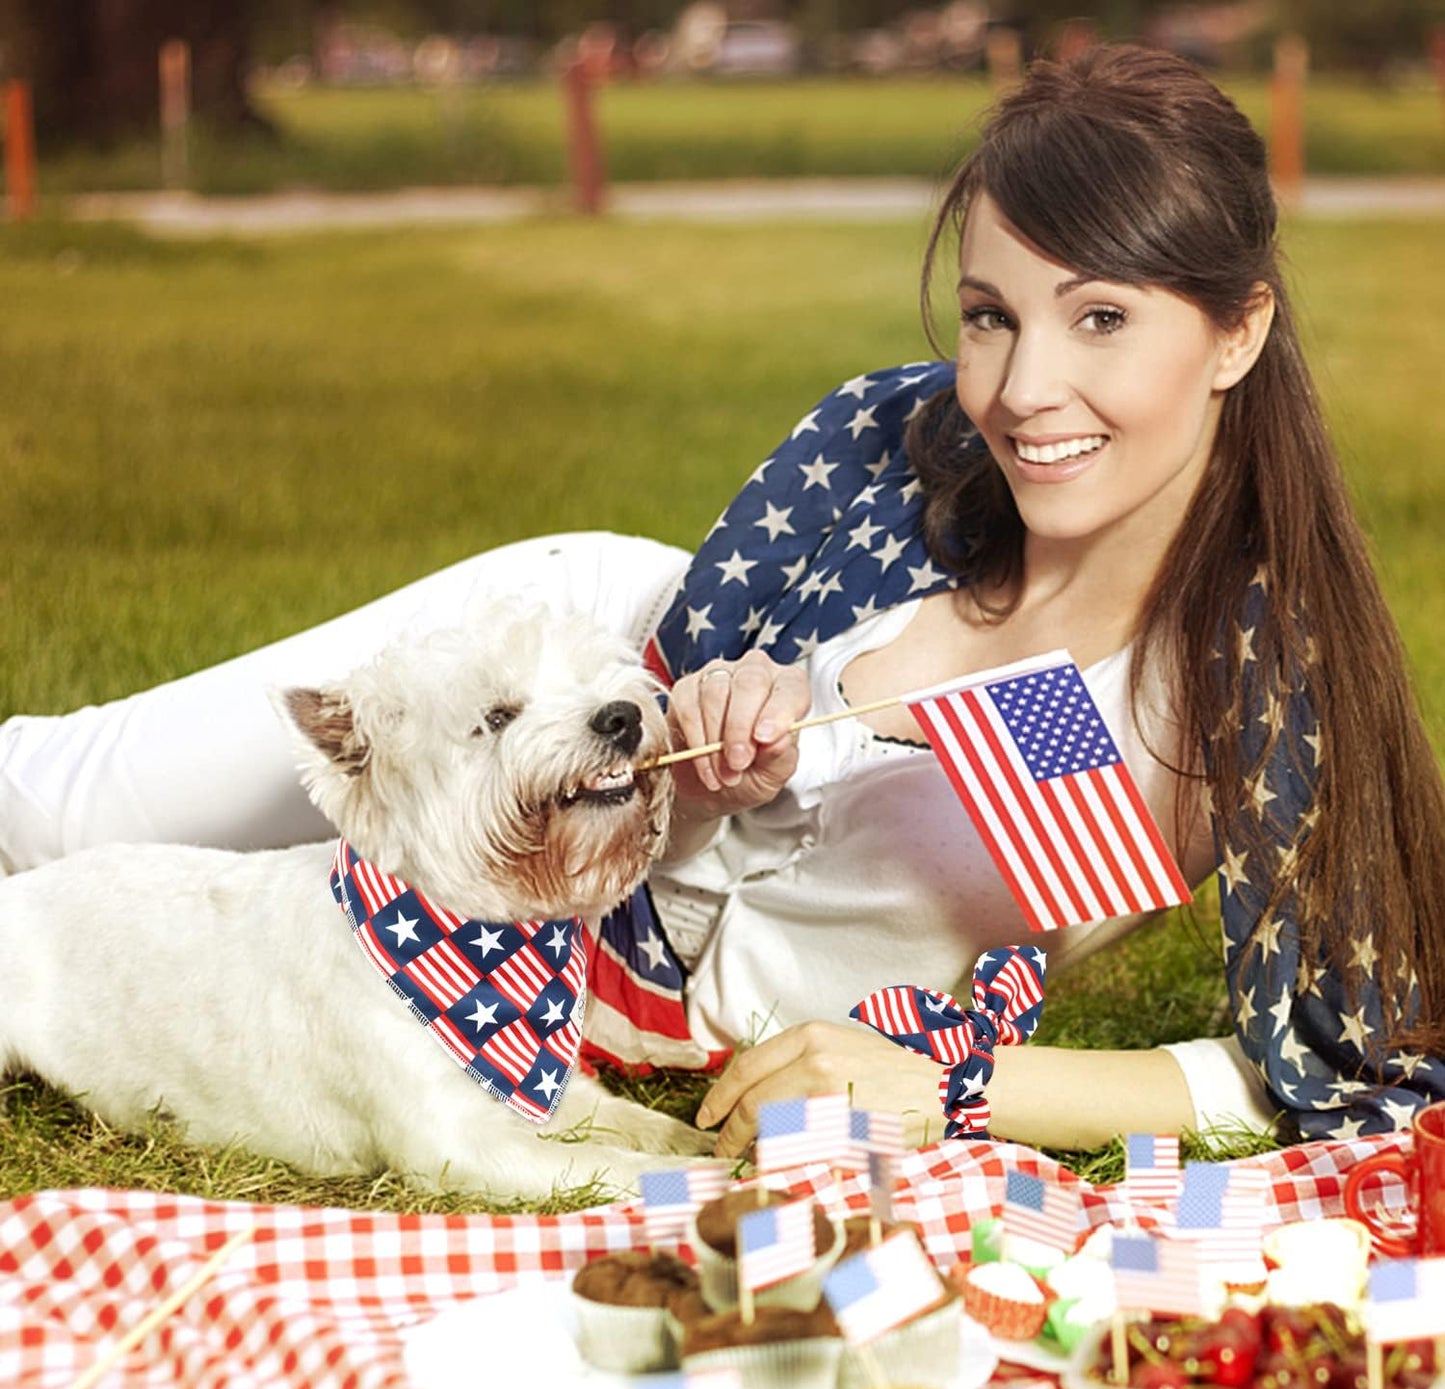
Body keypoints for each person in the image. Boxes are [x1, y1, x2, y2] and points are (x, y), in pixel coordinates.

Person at [3, 45, 1444, 1159]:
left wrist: (948, 1082)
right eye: (994, 314)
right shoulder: (901, 453)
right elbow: (663, 711)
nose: (1019, 390)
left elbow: (1333, 1064)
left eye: (1103, 318)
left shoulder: (1242, 698)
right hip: (536, 682)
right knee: (57, 813)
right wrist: (702, 750)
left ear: (1238, 329)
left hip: (610, 1004)